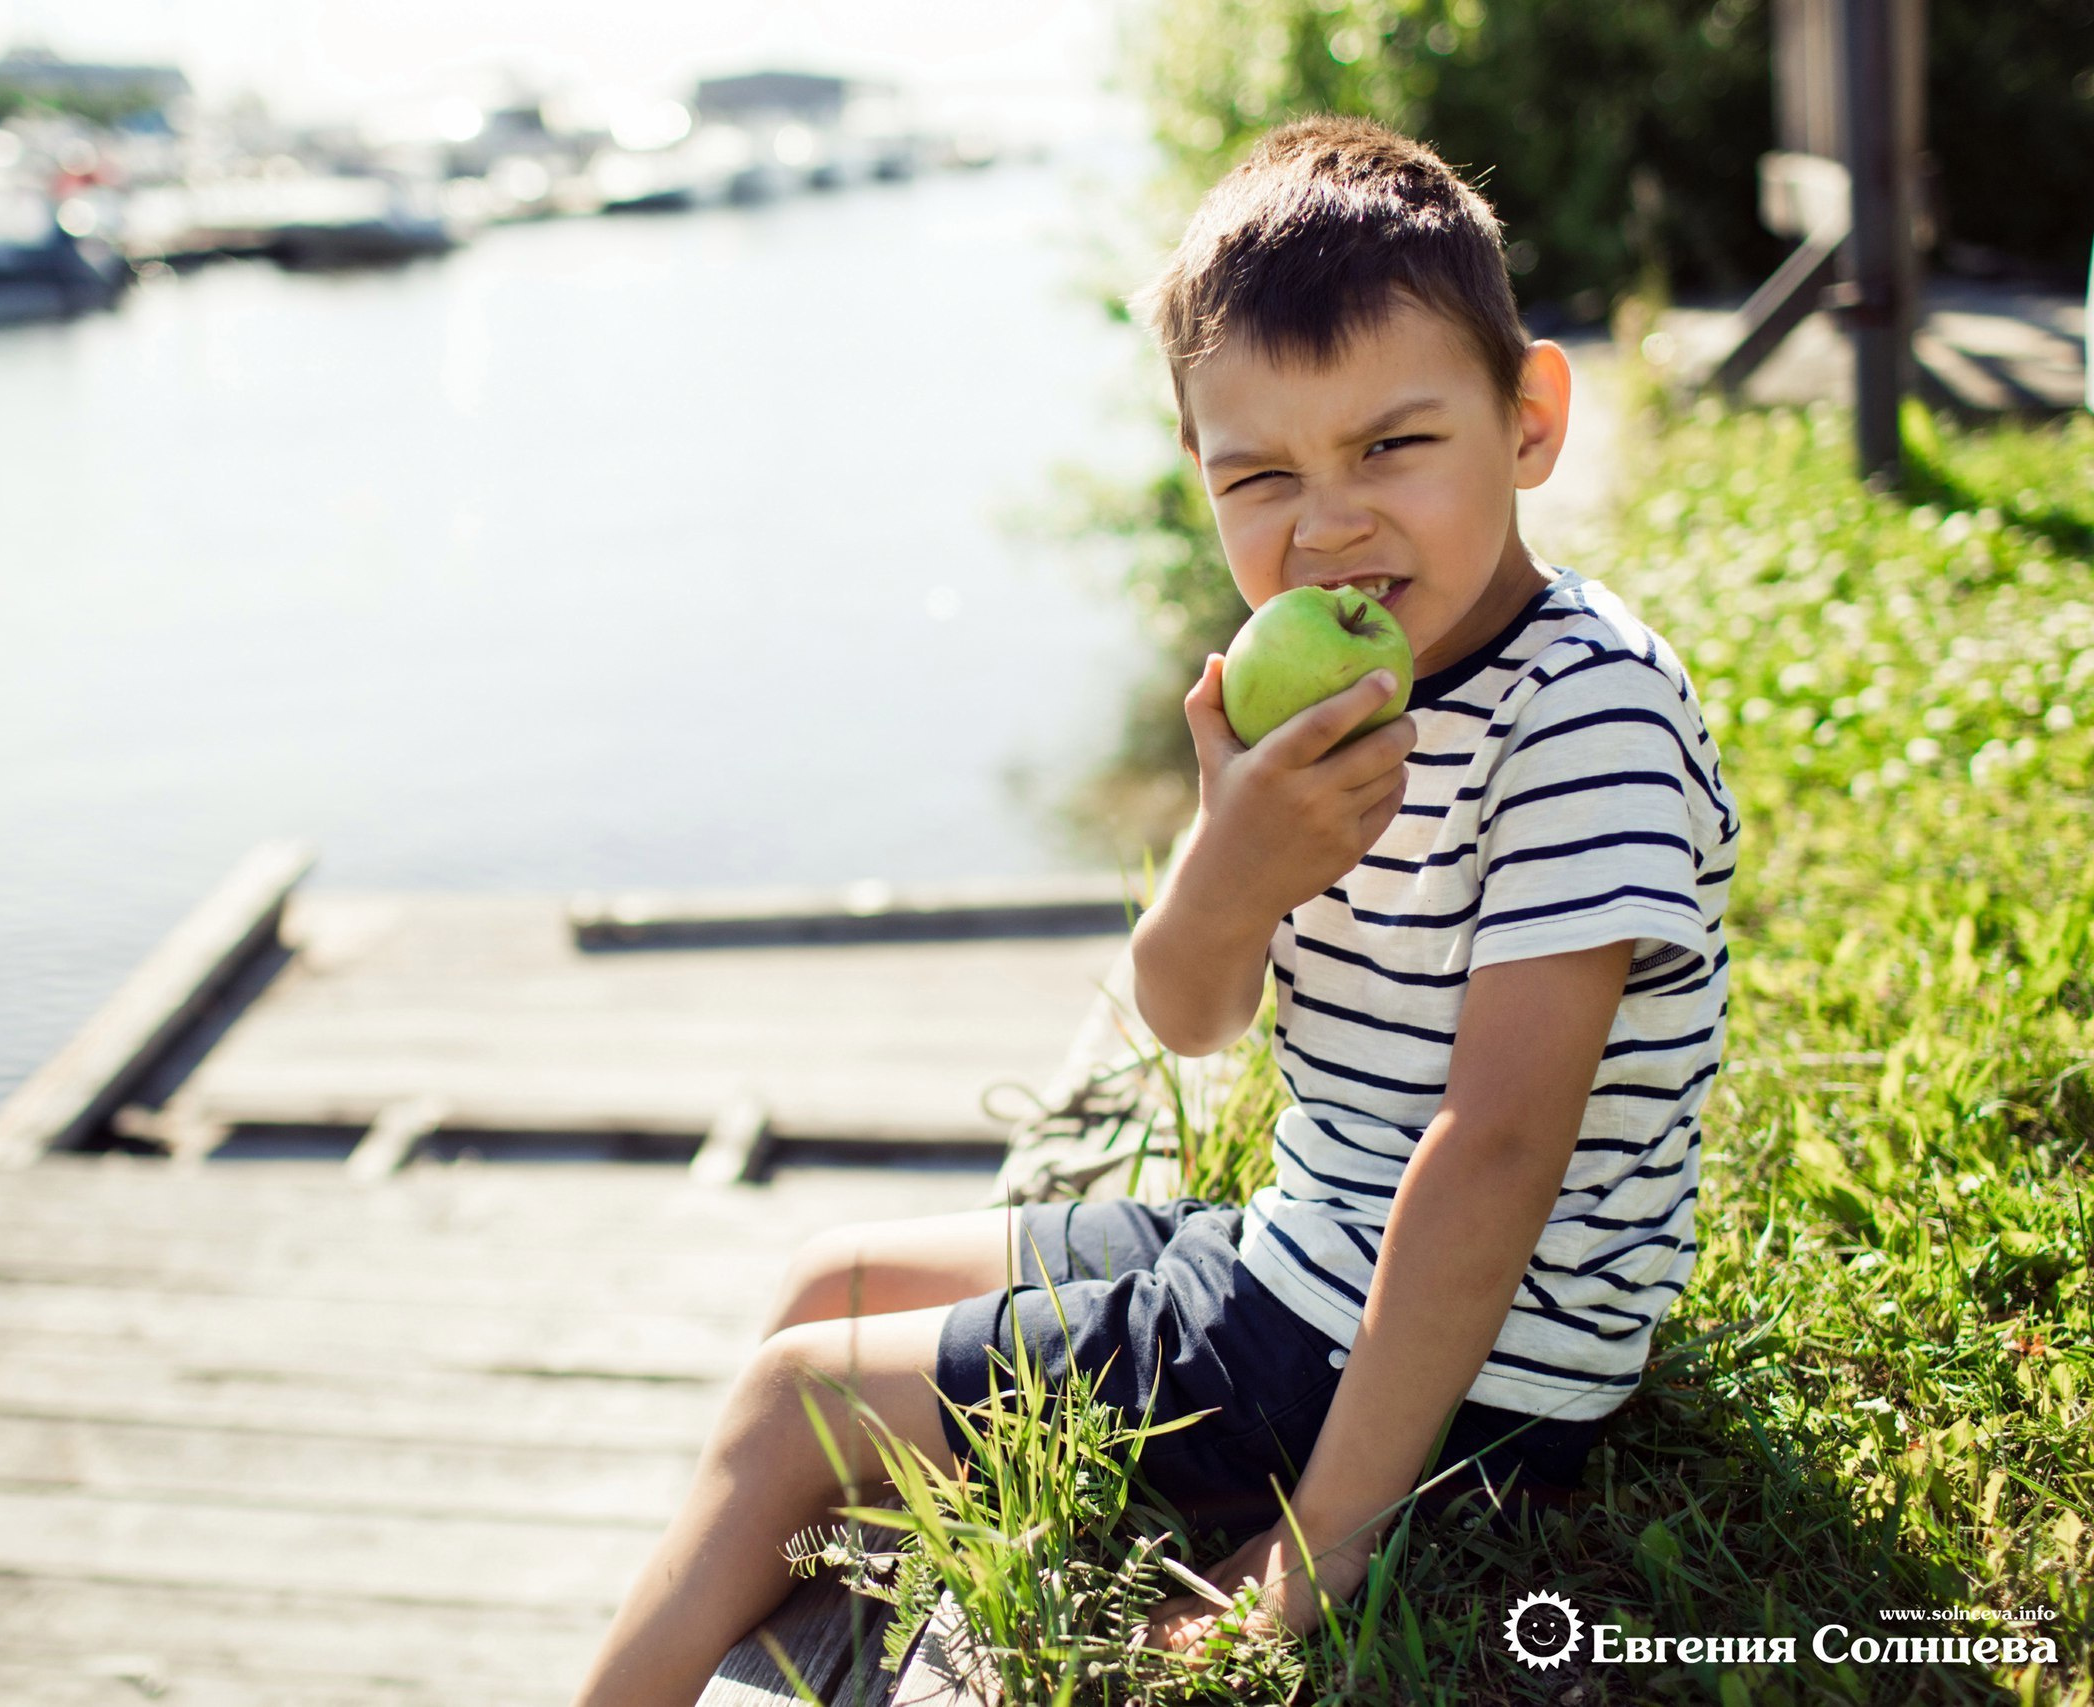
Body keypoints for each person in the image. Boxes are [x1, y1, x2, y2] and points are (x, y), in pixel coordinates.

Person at [573, 113, 1739, 1705]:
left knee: (796, 1404)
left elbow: (1501, 1150)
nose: (1327, 525)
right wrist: (1231, 864)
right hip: (1317, 1245)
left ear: (1527, 420)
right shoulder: (1313, 703)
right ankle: (799, 1627)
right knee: (827, 1288)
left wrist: (1323, 1539)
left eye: (1392, 447)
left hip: (1471, 1373)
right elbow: (1191, 1017)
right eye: (1263, 475)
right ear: (1200, 473)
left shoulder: (1582, 715)